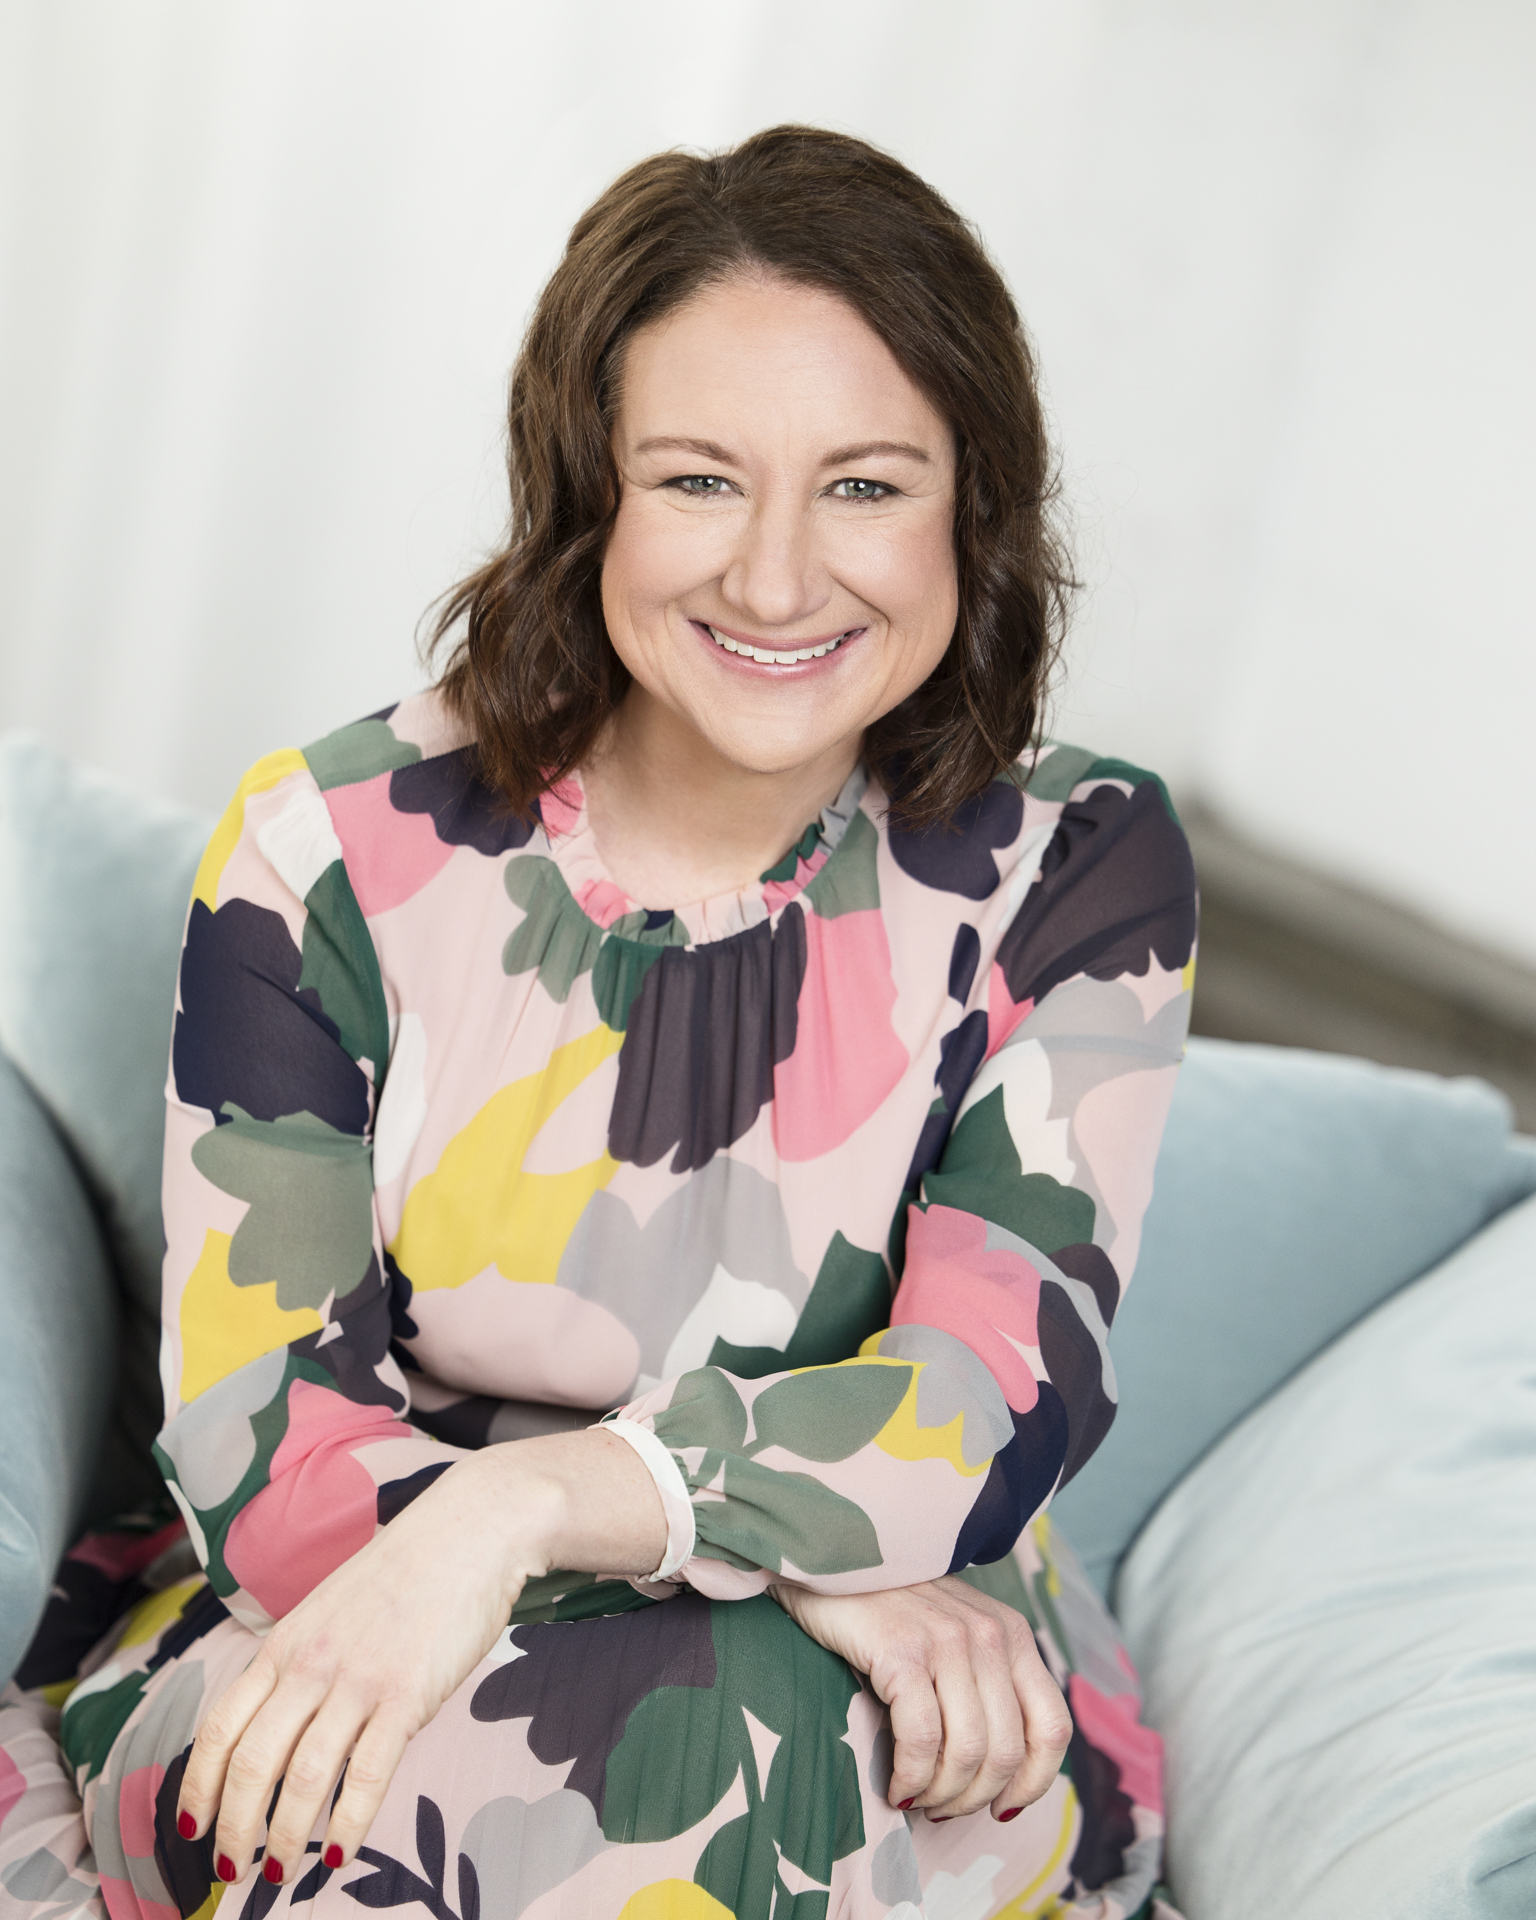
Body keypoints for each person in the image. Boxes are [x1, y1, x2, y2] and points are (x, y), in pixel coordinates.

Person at [6, 126, 1196, 1919]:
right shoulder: (325, 850)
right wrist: (799, 1555)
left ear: (979, 503)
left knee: (786, 1769)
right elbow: (274, 1455)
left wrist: (541, 1506)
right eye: (700, 481)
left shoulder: (1080, 866)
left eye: (868, 485)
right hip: (369, 1595)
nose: (780, 582)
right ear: (587, 493)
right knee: (403, 1801)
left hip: (898, 1668)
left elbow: (980, 1405)